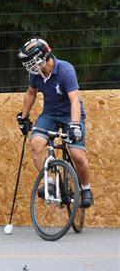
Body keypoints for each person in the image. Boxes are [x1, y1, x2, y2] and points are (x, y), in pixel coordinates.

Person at [16, 36, 93, 208]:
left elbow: (75, 100)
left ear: (44, 57)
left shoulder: (65, 70)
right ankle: (49, 182)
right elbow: (31, 93)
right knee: (36, 144)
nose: (30, 66)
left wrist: (74, 125)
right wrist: (24, 116)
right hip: (50, 114)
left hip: (70, 114)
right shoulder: (36, 74)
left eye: (32, 61)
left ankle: (86, 189)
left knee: (77, 155)